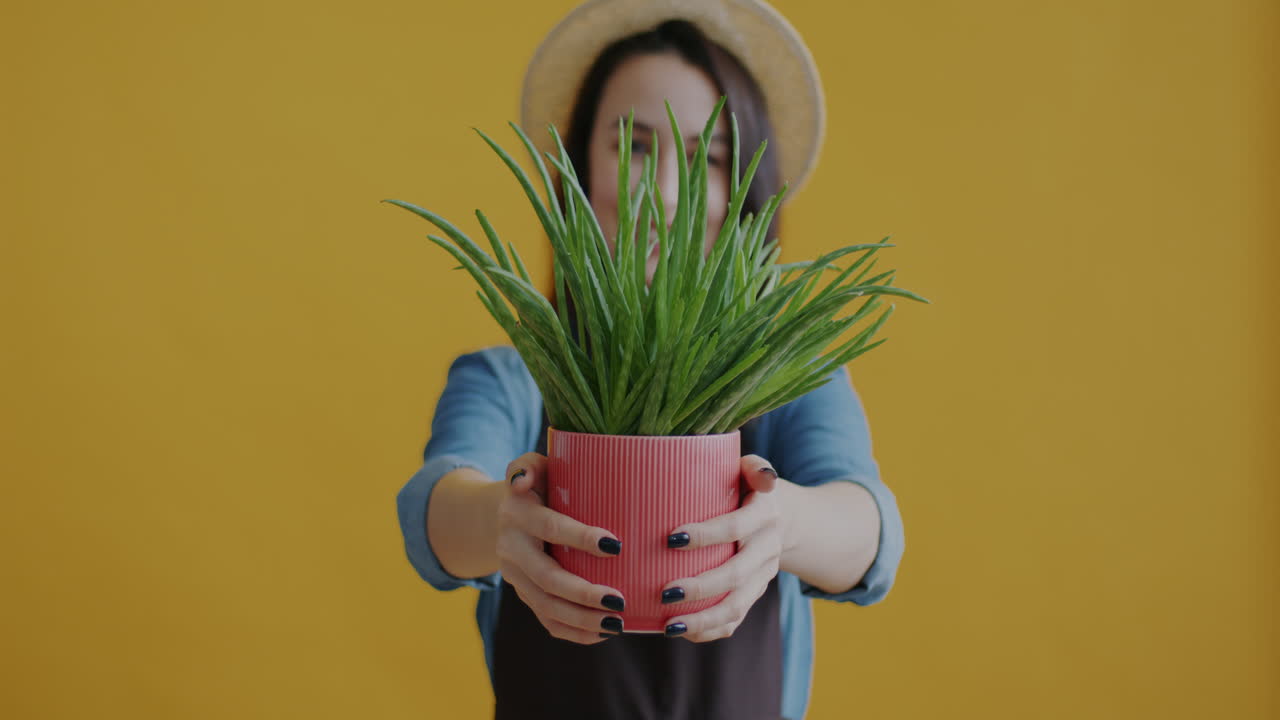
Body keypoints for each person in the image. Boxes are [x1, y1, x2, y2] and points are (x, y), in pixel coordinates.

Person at [395, 2, 904, 718]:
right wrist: (500, 525)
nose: (665, 195)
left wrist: (783, 524)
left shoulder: (790, 384)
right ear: (576, 172)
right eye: (633, 147)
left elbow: (870, 528)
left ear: (745, 197)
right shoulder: (512, 380)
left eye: (710, 160)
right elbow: (436, 510)